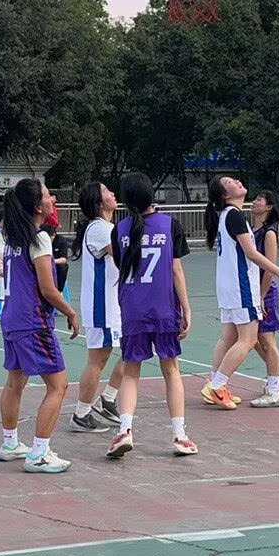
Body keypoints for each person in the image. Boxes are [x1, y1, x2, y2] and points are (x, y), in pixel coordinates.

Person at [106, 172, 196, 459]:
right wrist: (186, 308)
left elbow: (121, 266)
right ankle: (179, 435)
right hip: (164, 308)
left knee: (131, 371)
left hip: (133, 309)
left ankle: (124, 429)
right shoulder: (170, 224)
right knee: (171, 370)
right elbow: (176, 270)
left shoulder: (119, 230)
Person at [0, 178, 79, 473]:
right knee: (58, 385)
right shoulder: (39, 238)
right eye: (47, 195)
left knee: (15, 382)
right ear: (38, 207)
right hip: (33, 321)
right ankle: (39, 453)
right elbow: (48, 289)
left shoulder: (13, 239)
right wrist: (70, 312)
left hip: (11, 318)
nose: (52, 198)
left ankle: (10, 443)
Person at [202, 174, 279, 409]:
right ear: (225, 195)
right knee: (248, 340)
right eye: (229, 183)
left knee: (228, 337)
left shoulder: (227, 216)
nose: (236, 182)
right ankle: (218, 386)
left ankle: (213, 383)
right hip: (241, 287)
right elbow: (251, 253)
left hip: (228, 287)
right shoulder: (234, 216)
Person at [68, 181, 124, 432]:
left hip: (113, 304)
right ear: (99, 203)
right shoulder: (100, 229)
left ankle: (108, 399)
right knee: (98, 361)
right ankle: (81, 414)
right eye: (107, 192)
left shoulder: (106, 227)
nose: (112, 193)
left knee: (133, 351)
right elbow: (123, 257)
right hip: (102, 305)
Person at [249, 190, 279, 405]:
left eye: (259, 200)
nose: (254, 202)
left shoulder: (269, 233)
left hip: (265, 292)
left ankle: (274, 391)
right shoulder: (250, 230)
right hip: (251, 291)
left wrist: (262, 296)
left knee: (267, 339)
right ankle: (277, 372)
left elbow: (270, 269)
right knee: (251, 338)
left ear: (268, 207)